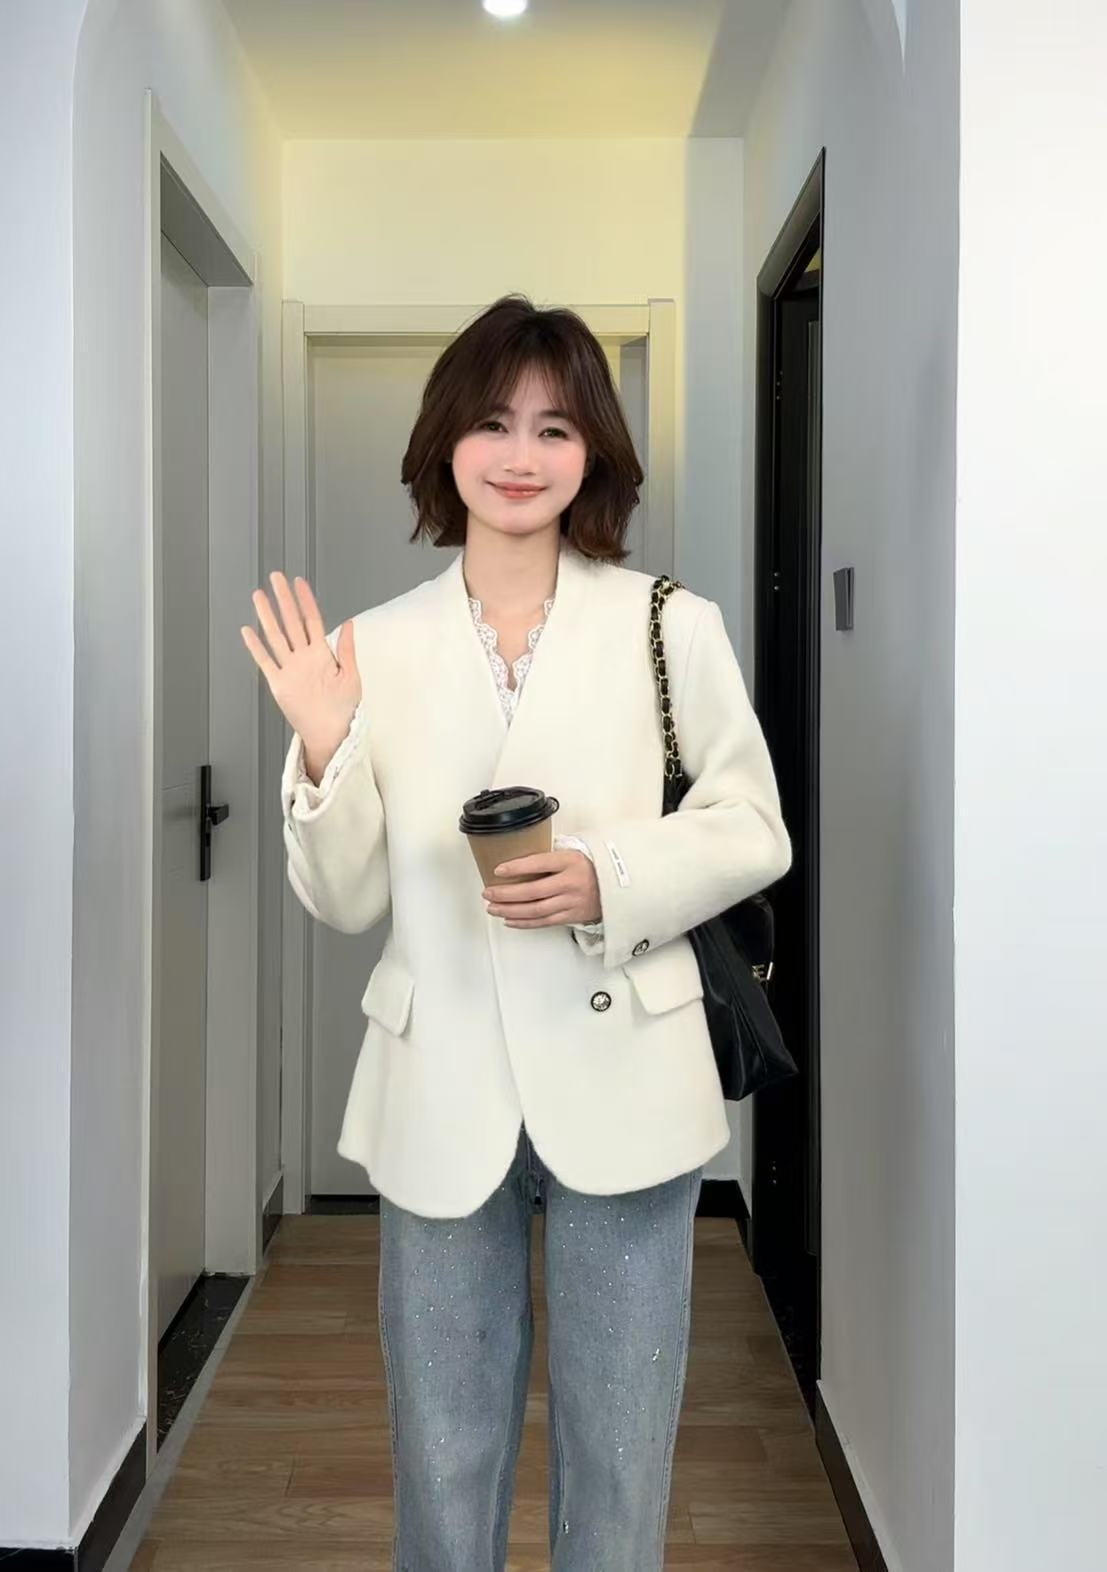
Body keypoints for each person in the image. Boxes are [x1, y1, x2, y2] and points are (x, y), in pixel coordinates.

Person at [241, 293, 791, 1572]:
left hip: (629, 1074)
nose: (521, 455)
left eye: (555, 427)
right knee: (443, 1456)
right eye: (493, 423)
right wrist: (323, 748)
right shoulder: (372, 646)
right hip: (440, 1082)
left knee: (621, 1452)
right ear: (447, 443)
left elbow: (752, 826)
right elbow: (345, 899)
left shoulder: (670, 624)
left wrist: (608, 876)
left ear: (594, 451)